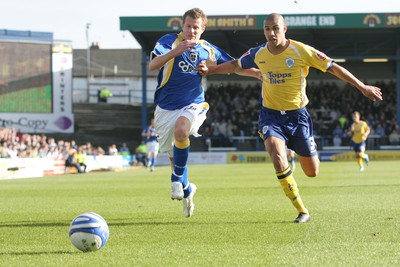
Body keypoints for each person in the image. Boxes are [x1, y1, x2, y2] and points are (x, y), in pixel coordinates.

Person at [205, 13, 382, 223]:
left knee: (312, 172)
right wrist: (211, 70)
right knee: (276, 154)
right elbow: (236, 65)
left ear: (284, 28)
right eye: (267, 29)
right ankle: (302, 210)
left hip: (298, 117)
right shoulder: (258, 53)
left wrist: (362, 87)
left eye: (276, 28)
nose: (271, 33)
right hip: (270, 115)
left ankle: (297, 151)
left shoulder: (301, 50)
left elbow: (332, 67)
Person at [148, 8, 259, 217]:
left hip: (193, 104)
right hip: (164, 108)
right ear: (182, 26)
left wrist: (256, 73)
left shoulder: (207, 49)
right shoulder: (168, 41)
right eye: (188, 26)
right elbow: (152, 65)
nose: (191, 31)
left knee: (181, 131)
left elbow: (234, 65)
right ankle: (188, 189)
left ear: (203, 29)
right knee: (174, 158)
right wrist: (175, 51)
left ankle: (176, 180)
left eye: (196, 28)